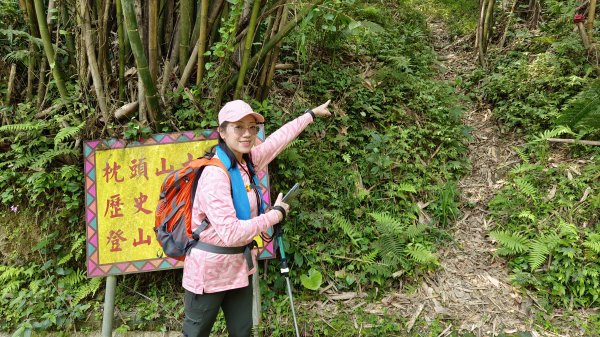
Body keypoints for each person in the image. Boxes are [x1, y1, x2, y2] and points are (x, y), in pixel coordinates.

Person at [182, 99, 332, 337]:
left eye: (252, 127)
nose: (247, 134)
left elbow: (277, 141)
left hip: (239, 268)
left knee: (243, 332)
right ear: (221, 131)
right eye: (238, 127)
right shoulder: (215, 174)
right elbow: (231, 233)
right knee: (196, 334)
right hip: (208, 272)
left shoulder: (246, 162)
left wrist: (310, 114)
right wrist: (274, 215)